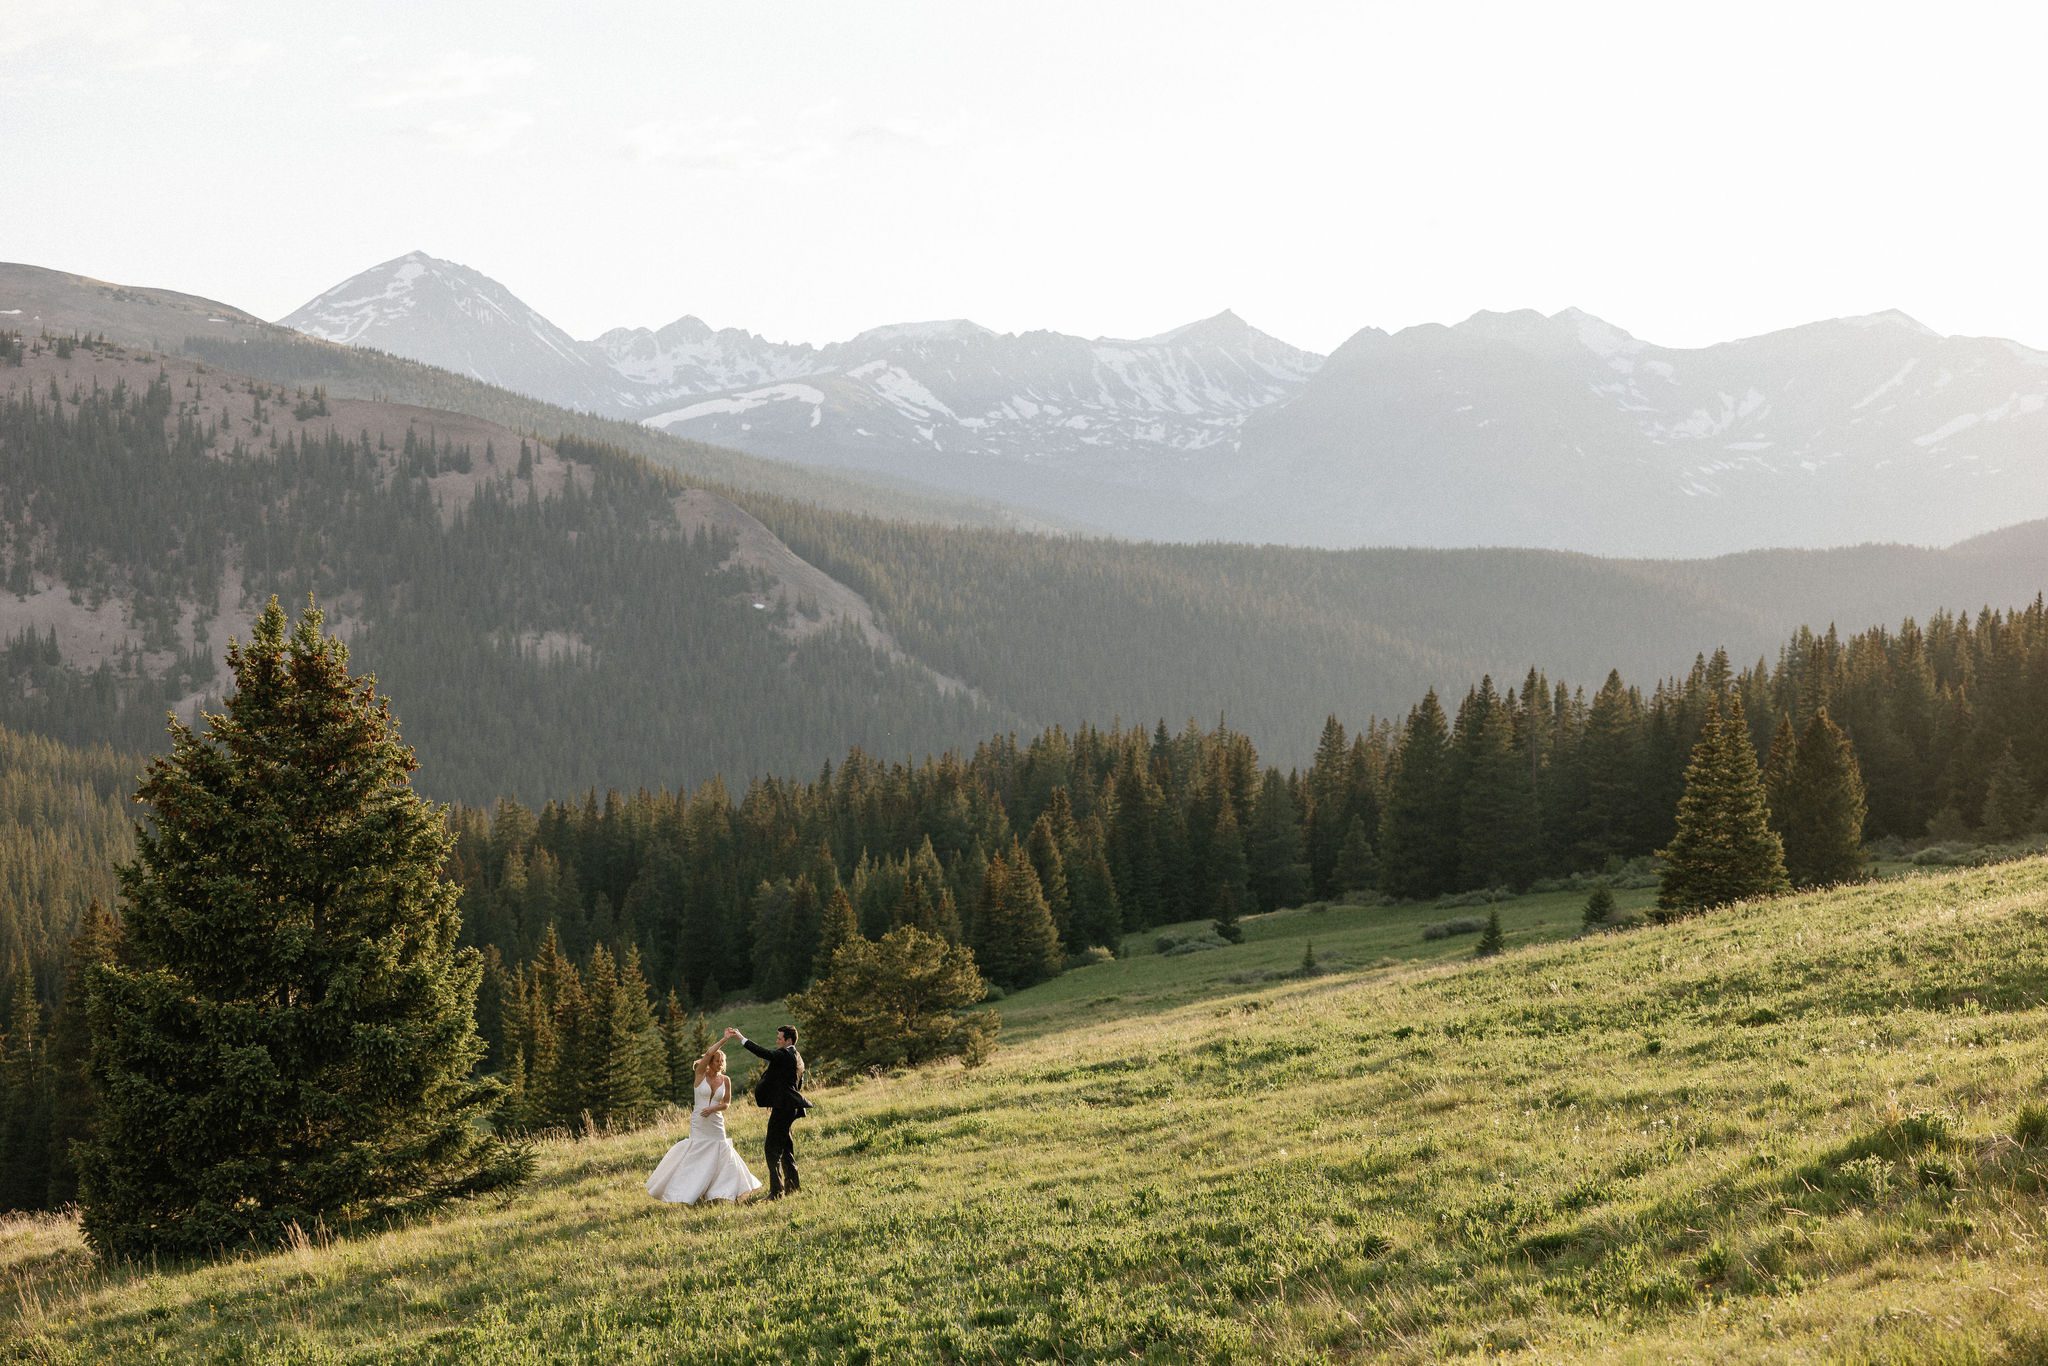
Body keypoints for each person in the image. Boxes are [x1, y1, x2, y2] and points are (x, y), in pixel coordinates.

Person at [645, 1042, 762, 1206]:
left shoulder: (726, 1080)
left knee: (723, 1153)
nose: (720, 1064)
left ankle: (725, 1191)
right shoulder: (700, 1075)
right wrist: (725, 1039)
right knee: (698, 1154)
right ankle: (689, 1192)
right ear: (710, 1062)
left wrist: (714, 1108)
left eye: (722, 1061)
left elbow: (727, 1103)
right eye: (717, 1061)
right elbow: (707, 1053)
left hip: (716, 1122)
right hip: (699, 1122)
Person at [725, 1024, 809, 1199]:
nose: (777, 1041)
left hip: (783, 1108)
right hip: (788, 1106)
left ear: (789, 1040)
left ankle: (776, 1193)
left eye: (779, 1038)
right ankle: (792, 1187)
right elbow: (792, 1083)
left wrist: (741, 1038)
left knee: (771, 1149)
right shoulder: (797, 1057)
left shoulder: (785, 1054)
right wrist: (777, 1098)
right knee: (786, 1148)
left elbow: (764, 1053)